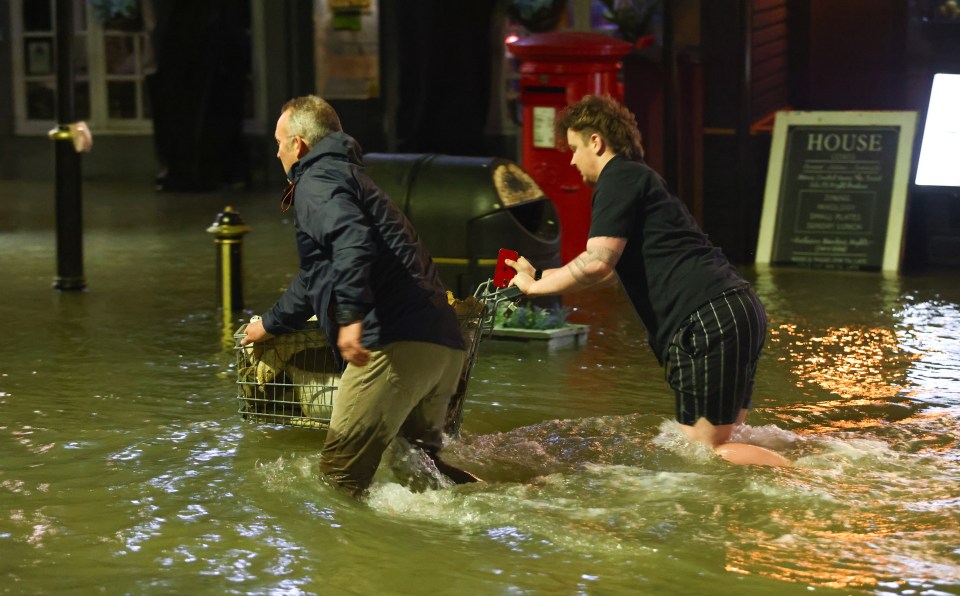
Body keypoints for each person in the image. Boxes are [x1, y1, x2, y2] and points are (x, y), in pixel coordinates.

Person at [507, 95, 789, 467]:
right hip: (734, 309)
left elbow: (597, 264)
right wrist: (540, 275)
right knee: (725, 436)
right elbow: (603, 277)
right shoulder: (640, 179)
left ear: (597, 142)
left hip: (705, 317)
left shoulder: (618, 175)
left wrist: (533, 288)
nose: (572, 161)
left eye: (575, 148)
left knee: (704, 449)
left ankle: (820, 481)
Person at [241, 95, 477, 497]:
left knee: (338, 481)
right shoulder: (350, 178)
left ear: (298, 145)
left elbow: (351, 242)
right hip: (444, 345)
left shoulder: (315, 181)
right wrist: (269, 323)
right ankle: (485, 517)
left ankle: (355, 562)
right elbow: (319, 275)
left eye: (280, 142)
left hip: (393, 343)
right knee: (421, 476)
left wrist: (350, 318)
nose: (277, 152)